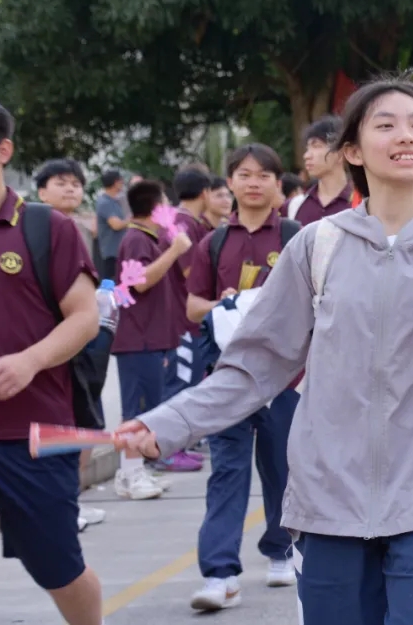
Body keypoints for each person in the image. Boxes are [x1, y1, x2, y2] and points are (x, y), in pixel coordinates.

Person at [116, 75, 413, 625]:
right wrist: (168, 423)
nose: (407, 135)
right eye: (386, 124)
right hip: (328, 508)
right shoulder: (316, 247)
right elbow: (253, 367)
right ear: (352, 150)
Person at [0, 94, 104, 625]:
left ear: (3, 150)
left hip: (36, 434)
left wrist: (28, 361)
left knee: (57, 568)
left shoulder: (46, 228)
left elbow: (84, 318)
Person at [182, 144, 302, 610]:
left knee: (282, 469)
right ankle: (219, 573)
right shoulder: (212, 243)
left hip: (285, 379)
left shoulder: (295, 237)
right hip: (228, 377)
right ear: (229, 182)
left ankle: (280, 549)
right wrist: (225, 303)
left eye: (264, 175)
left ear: (278, 184)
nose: (254, 183)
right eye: (245, 175)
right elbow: (193, 306)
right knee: (227, 472)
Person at [111, 180, 198, 501]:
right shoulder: (136, 239)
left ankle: (136, 471)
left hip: (151, 339)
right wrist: (174, 250)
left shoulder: (148, 238)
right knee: (135, 411)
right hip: (138, 339)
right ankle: (130, 474)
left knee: (148, 410)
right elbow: (140, 282)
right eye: (166, 203)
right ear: (155, 207)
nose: (171, 210)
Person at [35, 158, 109, 532]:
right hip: (48, 348)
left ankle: (71, 503)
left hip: (82, 344)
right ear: (41, 191)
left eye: (75, 184)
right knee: (64, 429)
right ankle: (61, 508)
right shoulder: (35, 231)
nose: (70, 189)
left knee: (84, 425)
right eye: (60, 183)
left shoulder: (79, 229)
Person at [168, 168, 214, 400]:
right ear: (205, 192)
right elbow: (191, 273)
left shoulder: (192, 222)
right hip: (182, 323)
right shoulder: (182, 223)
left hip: (190, 322)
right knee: (182, 392)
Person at [283, 115, 354, 224]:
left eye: (316, 146)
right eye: (307, 148)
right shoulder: (294, 206)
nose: (306, 156)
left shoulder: (362, 203)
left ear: (341, 152)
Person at [95, 169, 128, 281]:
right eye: (120, 180)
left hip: (118, 252)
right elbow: (116, 225)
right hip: (111, 253)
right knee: (110, 285)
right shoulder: (105, 202)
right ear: (116, 182)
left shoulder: (114, 201)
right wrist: (133, 219)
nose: (122, 183)